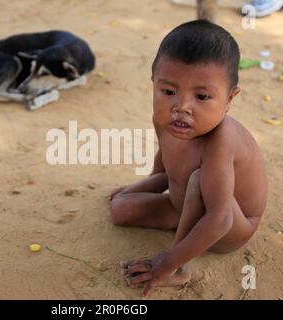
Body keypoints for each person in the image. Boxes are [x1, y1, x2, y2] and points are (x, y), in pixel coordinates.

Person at [109, 20, 268, 297]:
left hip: (230, 225)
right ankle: (184, 229)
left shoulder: (221, 141)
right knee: (120, 209)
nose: (181, 107)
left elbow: (220, 218)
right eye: (168, 92)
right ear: (154, 84)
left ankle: (179, 270)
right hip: (185, 206)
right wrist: (134, 191)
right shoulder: (165, 120)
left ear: (230, 99)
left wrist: (166, 262)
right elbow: (163, 170)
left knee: (197, 180)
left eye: (202, 96)